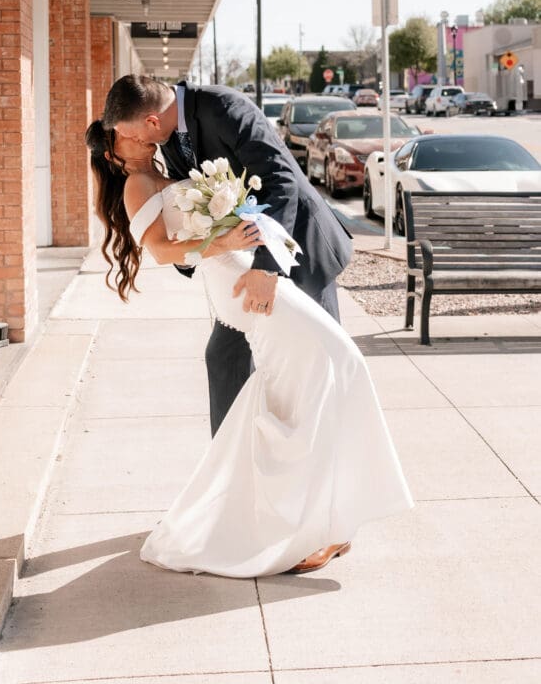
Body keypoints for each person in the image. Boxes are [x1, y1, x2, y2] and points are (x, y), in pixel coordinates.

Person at [85, 120, 414, 579]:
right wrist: (224, 239)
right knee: (327, 366)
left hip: (248, 268)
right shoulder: (136, 185)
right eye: (125, 136)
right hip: (236, 282)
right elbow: (161, 251)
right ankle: (312, 528)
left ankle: (328, 521)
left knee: (326, 371)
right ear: (110, 154)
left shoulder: (166, 166)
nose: (140, 136)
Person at [102, 75, 354, 437]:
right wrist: (202, 254)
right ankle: (233, 460)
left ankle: (331, 455)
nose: (138, 142)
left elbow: (281, 180)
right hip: (238, 262)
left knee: (324, 357)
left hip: (294, 249)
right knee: (224, 357)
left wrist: (267, 271)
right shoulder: (168, 139)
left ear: (152, 121)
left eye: (135, 134)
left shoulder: (225, 107)